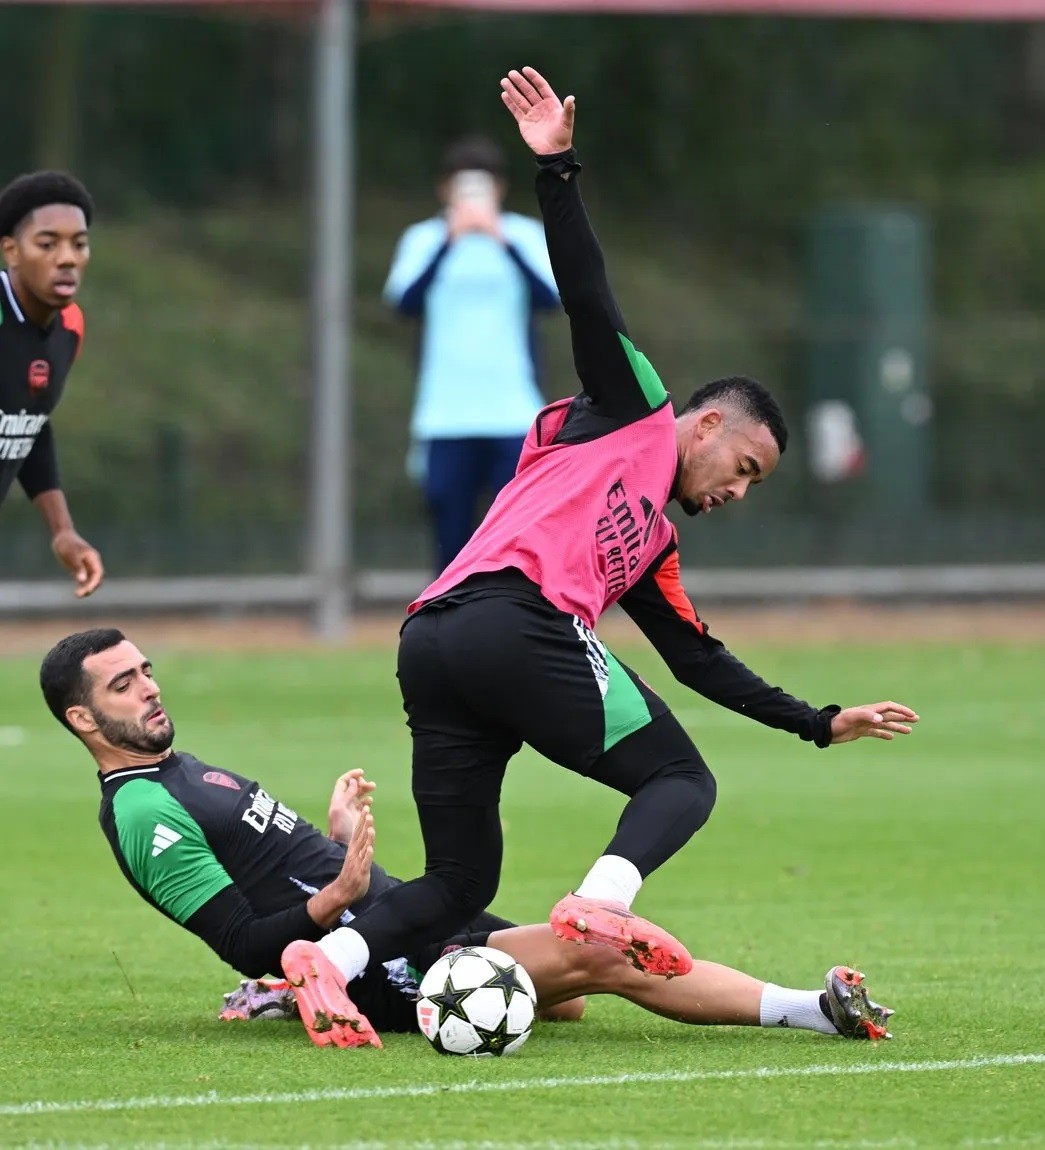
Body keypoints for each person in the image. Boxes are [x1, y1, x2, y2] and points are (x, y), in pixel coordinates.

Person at [273, 66, 921, 1047]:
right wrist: (555, 171)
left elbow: (698, 656)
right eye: (740, 465)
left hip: (433, 640)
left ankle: (330, 959)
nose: (736, 491)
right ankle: (597, 903)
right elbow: (586, 295)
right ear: (704, 422)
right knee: (680, 782)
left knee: (459, 881)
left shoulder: (652, 543)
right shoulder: (636, 411)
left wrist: (816, 721)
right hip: (511, 619)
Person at [39, 627, 894, 1051]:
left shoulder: (179, 769)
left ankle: (278, 992)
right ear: (83, 718)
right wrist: (335, 900)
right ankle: (811, 1012)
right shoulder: (143, 812)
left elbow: (270, 868)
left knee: (568, 999)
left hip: (402, 917)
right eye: (124, 685)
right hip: (376, 961)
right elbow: (240, 936)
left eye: (146, 670)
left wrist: (337, 845)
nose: (148, 688)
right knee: (595, 956)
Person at [383, 134, 560, 572]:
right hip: (444, 415)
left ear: (499, 188)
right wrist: (450, 242)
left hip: (513, 413)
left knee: (515, 535)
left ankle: (509, 627)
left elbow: (551, 299)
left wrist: (501, 241)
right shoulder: (423, 239)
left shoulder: (524, 235)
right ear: (445, 189)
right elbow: (403, 304)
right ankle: (447, 630)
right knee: (450, 537)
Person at [0, 171, 104, 598]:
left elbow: (29, 423)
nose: (67, 258)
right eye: (47, 244)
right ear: (11, 251)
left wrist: (62, 531)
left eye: (78, 244)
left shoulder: (69, 328)